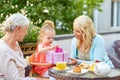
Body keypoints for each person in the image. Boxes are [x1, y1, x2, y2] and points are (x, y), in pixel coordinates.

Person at [0, 13, 41, 80]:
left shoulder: (16, 44)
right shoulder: (3, 50)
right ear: (18, 28)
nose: (26, 33)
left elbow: (21, 67)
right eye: (25, 30)